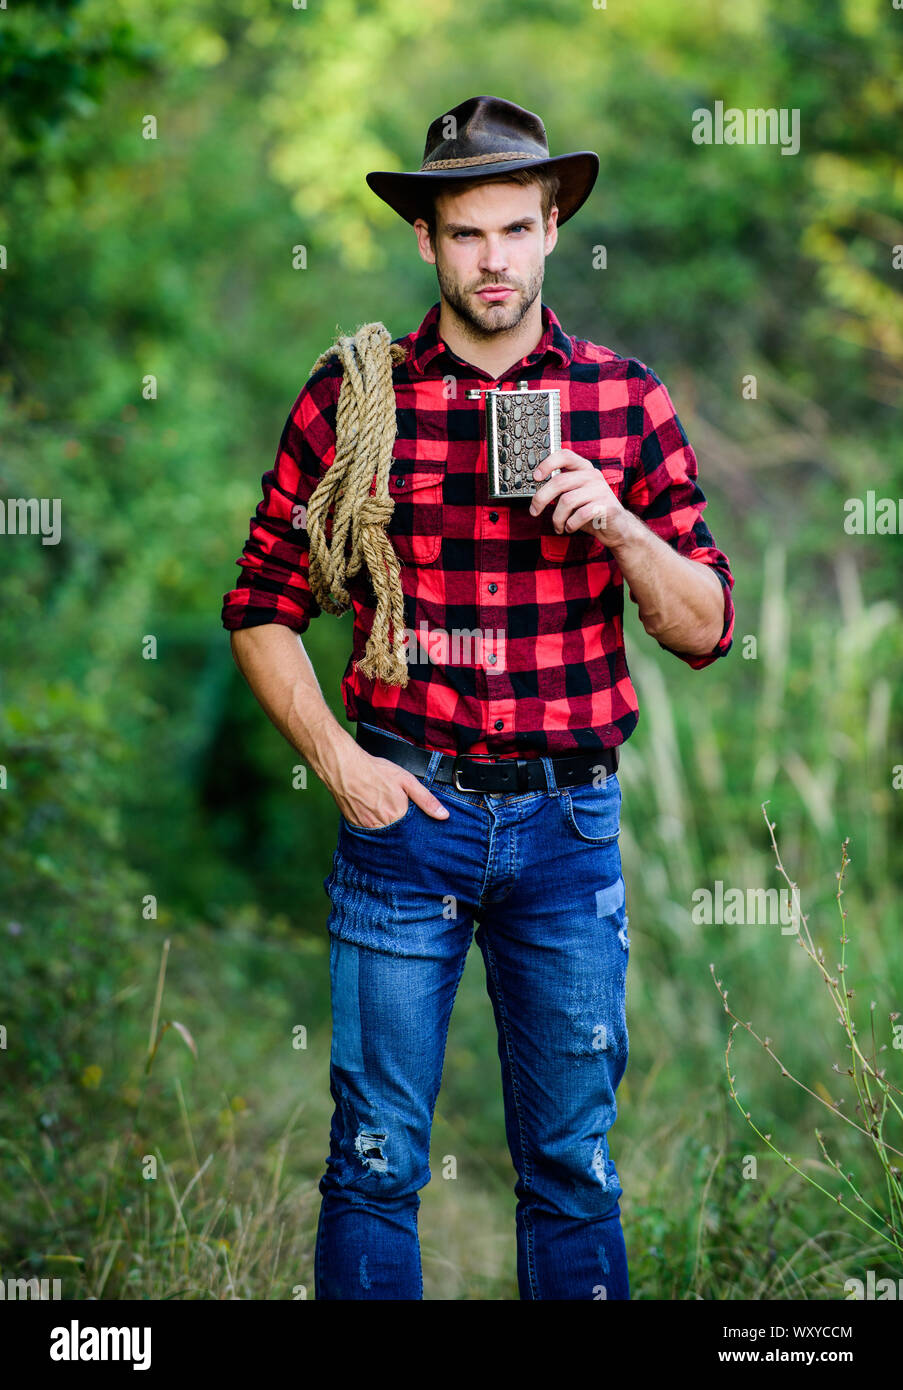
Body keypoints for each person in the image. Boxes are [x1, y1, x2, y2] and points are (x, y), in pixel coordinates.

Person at [221, 94, 735, 1300]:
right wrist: (341, 764)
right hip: (405, 816)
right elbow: (260, 604)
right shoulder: (357, 397)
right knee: (375, 1159)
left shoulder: (625, 398)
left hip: (568, 829)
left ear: (554, 227)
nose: (493, 258)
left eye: (515, 227)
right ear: (426, 242)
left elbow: (707, 626)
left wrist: (616, 527)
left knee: (571, 1167)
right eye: (466, 234)